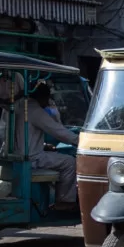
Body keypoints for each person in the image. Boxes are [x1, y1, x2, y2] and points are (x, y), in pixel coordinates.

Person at [26, 81, 79, 210]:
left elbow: (25, 137)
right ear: (43, 98)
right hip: (32, 159)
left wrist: (43, 145)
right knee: (70, 162)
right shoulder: (35, 111)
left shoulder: (21, 106)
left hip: (25, 154)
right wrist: (81, 141)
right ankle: (64, 201)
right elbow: (59, 132)